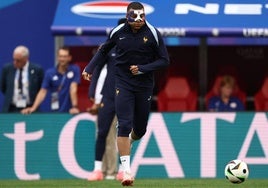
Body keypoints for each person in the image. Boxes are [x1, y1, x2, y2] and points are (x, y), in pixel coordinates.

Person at [82, 2, 169, 186]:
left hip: (144, 85)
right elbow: (103, 49)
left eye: (141, 17)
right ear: (127, 15)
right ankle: (126, 172)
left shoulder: (153, 33)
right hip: (122, 83)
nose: (138, 21)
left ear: (144, 16)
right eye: (134, 17)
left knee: (140, 129)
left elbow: (164, 60)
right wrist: (89, 67)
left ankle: (130, 141)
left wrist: (143, 69)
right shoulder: (118, 32)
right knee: (124, 124)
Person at [87, 18, 127, 181]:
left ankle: (123, 170)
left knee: (124, 134)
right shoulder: (108, 47)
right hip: (109, 96)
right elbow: (96, 68)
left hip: (126, 95)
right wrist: (92, 90)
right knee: (102, 132)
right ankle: (97, 170)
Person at [21, 46, 80, 114]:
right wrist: (33, 108)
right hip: (55, 109)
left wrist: (74, 106)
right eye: (60, 56)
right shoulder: (50, 73)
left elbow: (73, 89)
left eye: (65, 56)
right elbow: (43, 91)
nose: (62, 59)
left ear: (69, 58)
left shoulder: (75, 70)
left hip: (70, 111)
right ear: (57, 57)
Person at [0, 45, 44, 112]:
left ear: (26, 59)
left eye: (18, 60)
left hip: (30, 107)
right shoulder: (7, 69)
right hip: (11, 108)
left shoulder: (37, 70)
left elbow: (41, 88)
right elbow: (3, 87)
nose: (15, 62)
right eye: (14, 59)